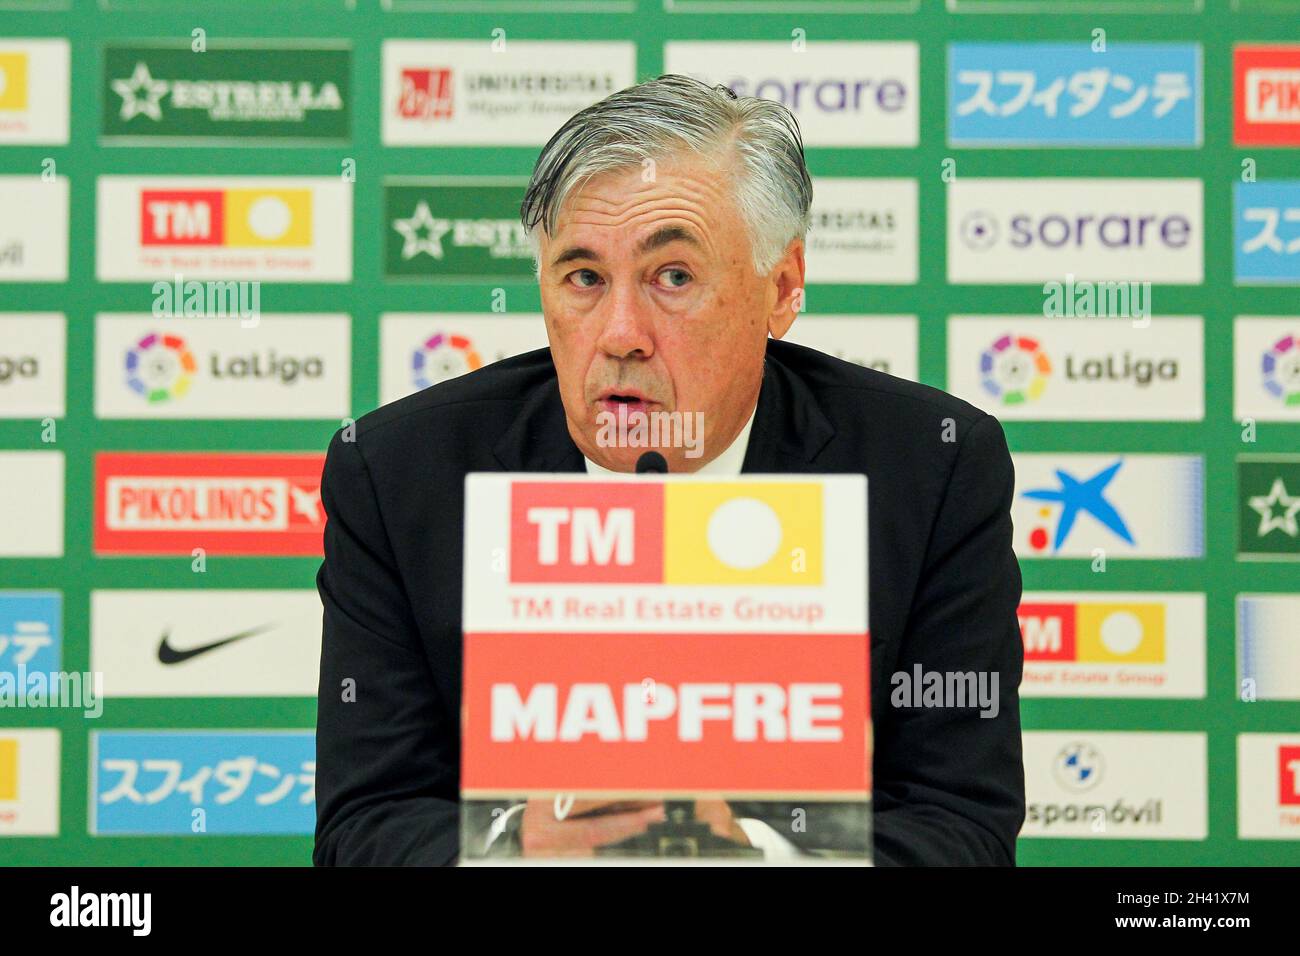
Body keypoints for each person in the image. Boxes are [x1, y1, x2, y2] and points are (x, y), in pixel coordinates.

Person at [313, 73, 1024, 865]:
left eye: (673, 277)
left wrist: (746, 854)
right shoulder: (401, 475)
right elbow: (364, 827)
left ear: (781, 287)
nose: (621, 333)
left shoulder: (929, 468)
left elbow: (963, 827)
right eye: (584, 278)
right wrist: (513, 849)